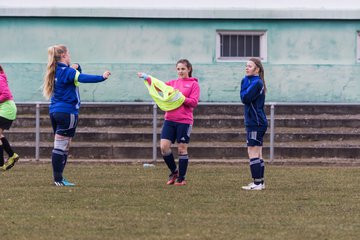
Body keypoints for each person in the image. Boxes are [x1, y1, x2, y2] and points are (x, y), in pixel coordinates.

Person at [43, 44, 111, 186]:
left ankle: (60, 178)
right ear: (63, 55)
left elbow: (75, 75)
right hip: (68, 112)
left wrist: (77, 66)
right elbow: (83, 78)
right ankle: (58, 179)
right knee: (61, 146)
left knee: (63, 144)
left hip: (54, 111)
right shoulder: (68, 72)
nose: (70, 56)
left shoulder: (54, 70)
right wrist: (102, 77)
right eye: (68, 54)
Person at [138, 59, 200, 186]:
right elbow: (159, 86)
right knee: (164, 147)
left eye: (183, 69)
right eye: (178, 69)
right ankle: (174, 171)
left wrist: (182, 98)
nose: (180, 71)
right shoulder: (172, 83)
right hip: (170, 119)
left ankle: (181, 178)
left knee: (182, 149)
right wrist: (147, 78)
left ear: (189, 69)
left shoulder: (194, 85)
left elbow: (194, 102)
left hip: (184, 121)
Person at [240, 57, 267, 190]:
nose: (247, 68)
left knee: (252, 151)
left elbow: (245, 98)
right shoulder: (249, 81)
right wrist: (244, 83)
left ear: (257, 69)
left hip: (256, 122)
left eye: (249, 66)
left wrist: (244, 85)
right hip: (256, 121)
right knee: (258, 152)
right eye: (246, 66)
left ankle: (257, 183)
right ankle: (260, 182)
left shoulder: (256, 82)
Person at [0, 64, 20, 171]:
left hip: (7, 109)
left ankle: (1, 163)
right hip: (5, 109)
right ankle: (12, 155)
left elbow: (6, 95)